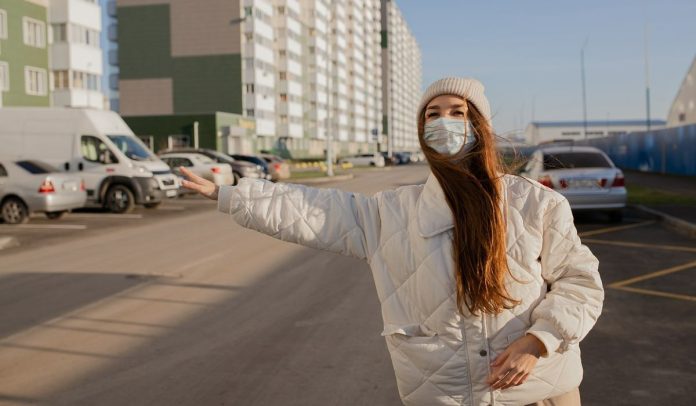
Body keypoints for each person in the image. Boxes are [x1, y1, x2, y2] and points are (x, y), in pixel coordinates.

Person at [180, 77, 604, 406]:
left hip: (539, 392)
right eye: (432, 114)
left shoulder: (536, 203)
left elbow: (581, 284)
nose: (443, 122)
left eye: (457, 112)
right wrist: (230, 194)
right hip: (446, 394)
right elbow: (308, 210)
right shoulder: (391, 212)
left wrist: (539, 340)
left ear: (479, 125)